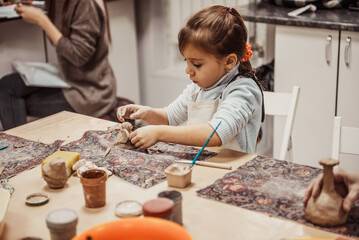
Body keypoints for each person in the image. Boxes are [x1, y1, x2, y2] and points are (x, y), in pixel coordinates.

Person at [117, 5, 264, 153]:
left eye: (197, 64)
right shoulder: (198, 88)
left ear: (229, 61)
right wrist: (147, 113)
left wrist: (159, 133)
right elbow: (170, 117)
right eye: (186, 61)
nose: (188, 70)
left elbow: (215, 133)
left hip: (233, 171)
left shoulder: (244, 91)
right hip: (202, 163)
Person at [0, 0, 117, 130]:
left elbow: (78, 57)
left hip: (89, 92)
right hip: (70, 77)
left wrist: (42, 20)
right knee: (7, 85)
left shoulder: (85, 3)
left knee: (11, 99)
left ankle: (20, 146)